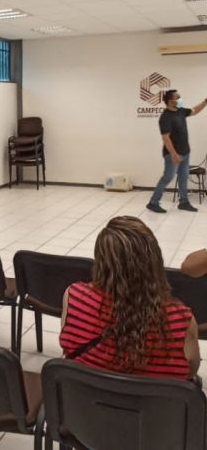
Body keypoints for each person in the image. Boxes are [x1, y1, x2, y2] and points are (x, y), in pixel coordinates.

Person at [60, 216, 200, 380]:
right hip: (154, 398)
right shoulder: (181, 320)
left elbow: (69, 349)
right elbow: (190, 372)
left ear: (100, 261)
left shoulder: (74, 297)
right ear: (154, 261)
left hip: (84, 394)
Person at [147, 90, 207, 214]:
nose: (180, 99)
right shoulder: (165, 117)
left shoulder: (180, 111)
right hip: (173, 154)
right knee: (167, 177)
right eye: (177, 97)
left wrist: (205, 101)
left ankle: (184, 202)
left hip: (185, 152)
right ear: (170, 101)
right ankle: (153, 202)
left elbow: (194, 110)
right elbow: (166, 137)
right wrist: (174, 154)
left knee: (183, 178)